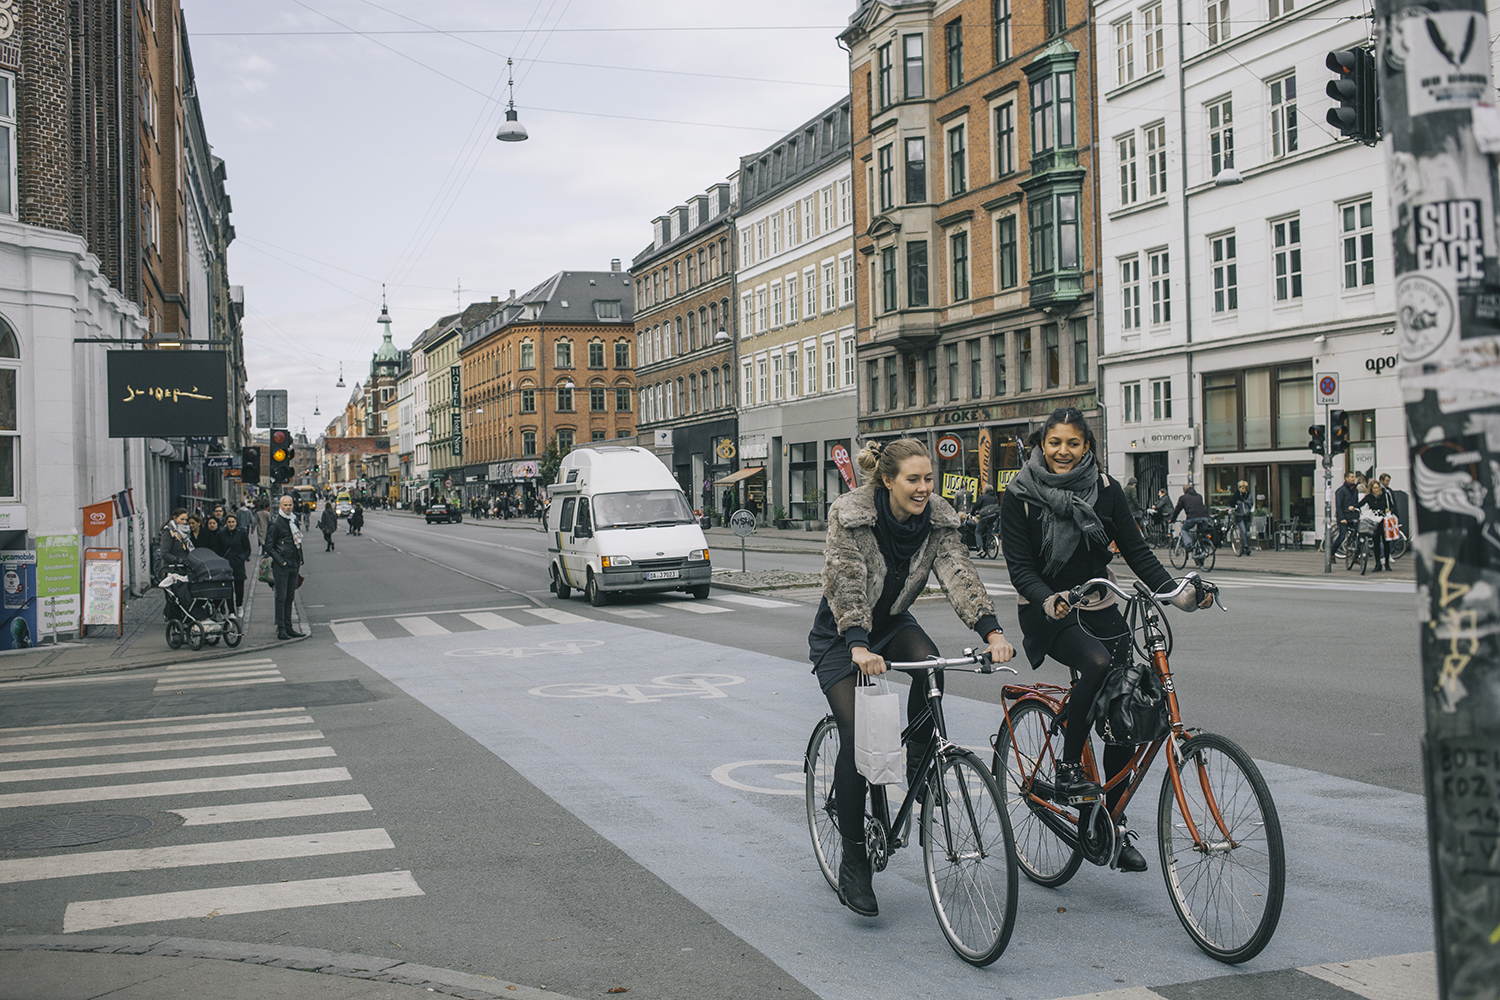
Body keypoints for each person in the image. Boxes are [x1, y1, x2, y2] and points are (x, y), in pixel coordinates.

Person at [808, 438, 1015, 918]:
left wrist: (992, 630)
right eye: (914, 480)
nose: (924, 488)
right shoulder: (851, 515)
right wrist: (858, 643)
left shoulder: (939, 520)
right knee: (858, 737)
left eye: (929, 479)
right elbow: (846, 579)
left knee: (932, 663)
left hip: (894, 622)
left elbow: (958, 572)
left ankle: (923, 760)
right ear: (888, 480)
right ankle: (854, 859)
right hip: (843, 633)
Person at [1001, 407, 1212, 875]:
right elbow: (1019, 566)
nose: (1063, 451)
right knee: (1096, 664)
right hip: (1046, 608)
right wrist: (1046, 598)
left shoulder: (1107, 490)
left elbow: (1136, 550)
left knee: (1127, 709)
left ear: (1087, 447)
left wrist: (1175, 593)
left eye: (1073, 444)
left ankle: (1108, 825)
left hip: (1099, 602)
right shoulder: (1021, 493)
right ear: (1043, 443)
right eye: (1054, 442)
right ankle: (1068, 766)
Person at [263, 494, 304, 640]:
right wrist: (281, 561)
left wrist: (299, 559)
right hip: (282, 566)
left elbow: (297, 541)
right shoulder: (275, 523)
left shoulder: (294, 520)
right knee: (280, 597)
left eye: (290, 505)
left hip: (293, 563)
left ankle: (289, 627)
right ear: (280, 506)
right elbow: (268, 546)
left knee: (290, 597)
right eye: (285, 505)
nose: (288, 507)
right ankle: (281, 629)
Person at [221, 512, 251, 615]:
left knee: (239, 589)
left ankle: (239, 606)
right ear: (226, 523)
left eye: (233, 522)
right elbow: (218, 549)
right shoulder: (221, 534)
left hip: (238, 565)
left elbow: (247, 549)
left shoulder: (241, 533)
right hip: (226, 565)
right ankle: (231, 611)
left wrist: (241, 558)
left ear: (236, 522)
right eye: (229, 522)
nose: (231, 524)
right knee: (228, 589)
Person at [1172, 484, 1212, 561]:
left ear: (1184, 491)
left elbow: (1177, 509)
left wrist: (1173, 519)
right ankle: (1203, 549)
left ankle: (1189, 545)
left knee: (1184, 529)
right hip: (1204, 517)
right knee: (1200, 534)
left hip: (1192, 518)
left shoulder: (1183, 498)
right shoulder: (1199, 496)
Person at [1361, 481, 1394, 571]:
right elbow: (1360, 504)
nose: (1376, 490)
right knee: (1376, 543)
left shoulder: (1385, 495)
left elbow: (1391, 505)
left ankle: (1387, 564)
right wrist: (1353, 507)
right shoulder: (1369, 497)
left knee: (1386, 542)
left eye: (1377, 488)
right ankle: (1378, 564)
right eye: (1374, 488)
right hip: (1375, 521)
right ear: (1371, 489)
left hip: (1384, 521)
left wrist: (1389, 510)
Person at [158, 508, 194, 576]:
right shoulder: (169, 532)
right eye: (182, 519)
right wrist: (179, 560)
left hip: (184, 569)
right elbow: (164, 553)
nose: (184, 522)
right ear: (175, 518)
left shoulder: (186, 532)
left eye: (186, 520)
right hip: (172, 570)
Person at [1334, 471, 1360, 555]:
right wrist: (1341, 518)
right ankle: (1332, 553)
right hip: (1344, 517)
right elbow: (1339, 506)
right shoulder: (1341, 491)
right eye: (1352, 477)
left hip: (1352, 516)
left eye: (1354, 477)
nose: (1354, 479)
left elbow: (1356, 502)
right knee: (1342, 536)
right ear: (1346, 478)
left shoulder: (1355, 490)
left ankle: (1355, 556)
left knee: (1358, 536)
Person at [1231, 480, 1255, 557]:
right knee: (1243, 531)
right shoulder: (1236, 495)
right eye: (1242, 488)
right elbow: (1231, 503)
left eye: (1245, 488)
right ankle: (1246, 547)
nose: (1243, 490)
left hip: (1247, 515)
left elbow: (1251, 503)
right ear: (1239, 488)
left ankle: (1243, 545)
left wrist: (1249, 509)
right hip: (1239, 516)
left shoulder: (1249, 495)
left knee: (1246, 531)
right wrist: (1234, 507)